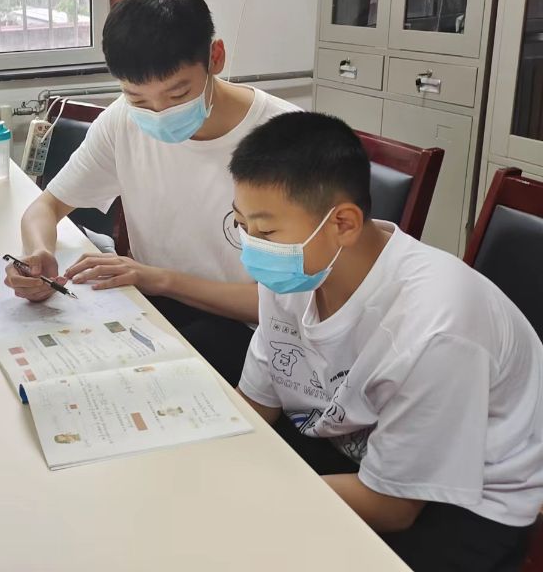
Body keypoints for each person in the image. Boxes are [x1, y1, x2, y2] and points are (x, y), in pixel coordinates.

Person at [229, 111, 543, 571]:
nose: (251, 246)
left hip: (463, 501)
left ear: (343, 224)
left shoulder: (435, 327)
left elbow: (392, 508)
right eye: (242, 225)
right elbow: (256, 404)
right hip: (354, 448)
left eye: (266, 231)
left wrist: (250, 494)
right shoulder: (296, 274)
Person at [3, 0, 297, 382]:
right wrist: (39, 253)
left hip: (252, 334)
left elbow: (292, 308)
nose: (159, 113)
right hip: (156, 305)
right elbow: (46, 206)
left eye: (178, 94)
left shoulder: (285, 140)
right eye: (138, 98)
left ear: (215, 57)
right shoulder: (122, 120)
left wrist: (156, 278)